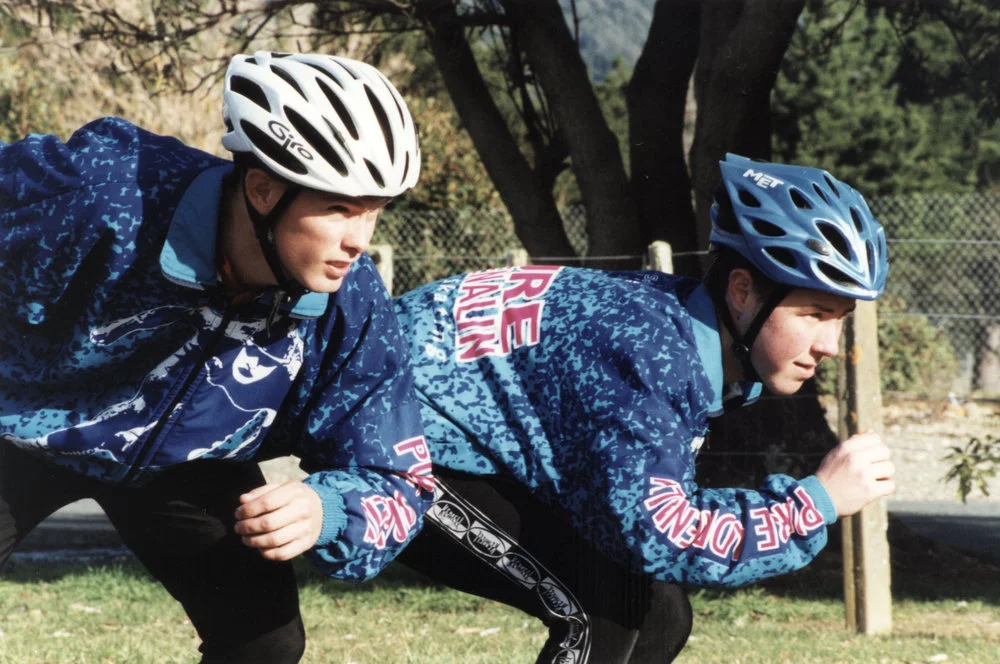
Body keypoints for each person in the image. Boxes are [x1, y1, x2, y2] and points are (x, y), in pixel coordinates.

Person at [0, 51, 433, 663]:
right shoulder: (103, 193)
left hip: (190, 464)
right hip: (21, 427)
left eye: (374, 210)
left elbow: (399, 476)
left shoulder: (351, 301)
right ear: (263, 189)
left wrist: (325, 505)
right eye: (339, 208)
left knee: (266, 644)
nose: (360, 240)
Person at [392, 154, 895, 663]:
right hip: (392, 431)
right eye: (814, 314)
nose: (830, 343)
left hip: (451, 434)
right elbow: (658, 533)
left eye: (841, 318)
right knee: (603, 606)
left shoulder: (672, 328)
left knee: (660, 615)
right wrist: (812, 505)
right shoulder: (648, 355)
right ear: (742, 292)